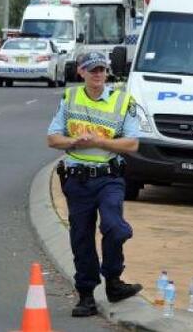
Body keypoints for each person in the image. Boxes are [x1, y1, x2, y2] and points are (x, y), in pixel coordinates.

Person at [47, 52, 142, 317]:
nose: (98, 74)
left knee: (114, 227)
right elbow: (52, 138)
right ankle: (86, 295)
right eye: (92, 70)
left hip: (109, 177)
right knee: (81, 238)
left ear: (107, 72)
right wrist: (74, 142)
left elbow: (132, 144)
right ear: (81, 72)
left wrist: (100, 142)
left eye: (102, 69)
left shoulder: (122, 101)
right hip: (77, 180)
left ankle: (113, 280)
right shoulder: (70, 97)